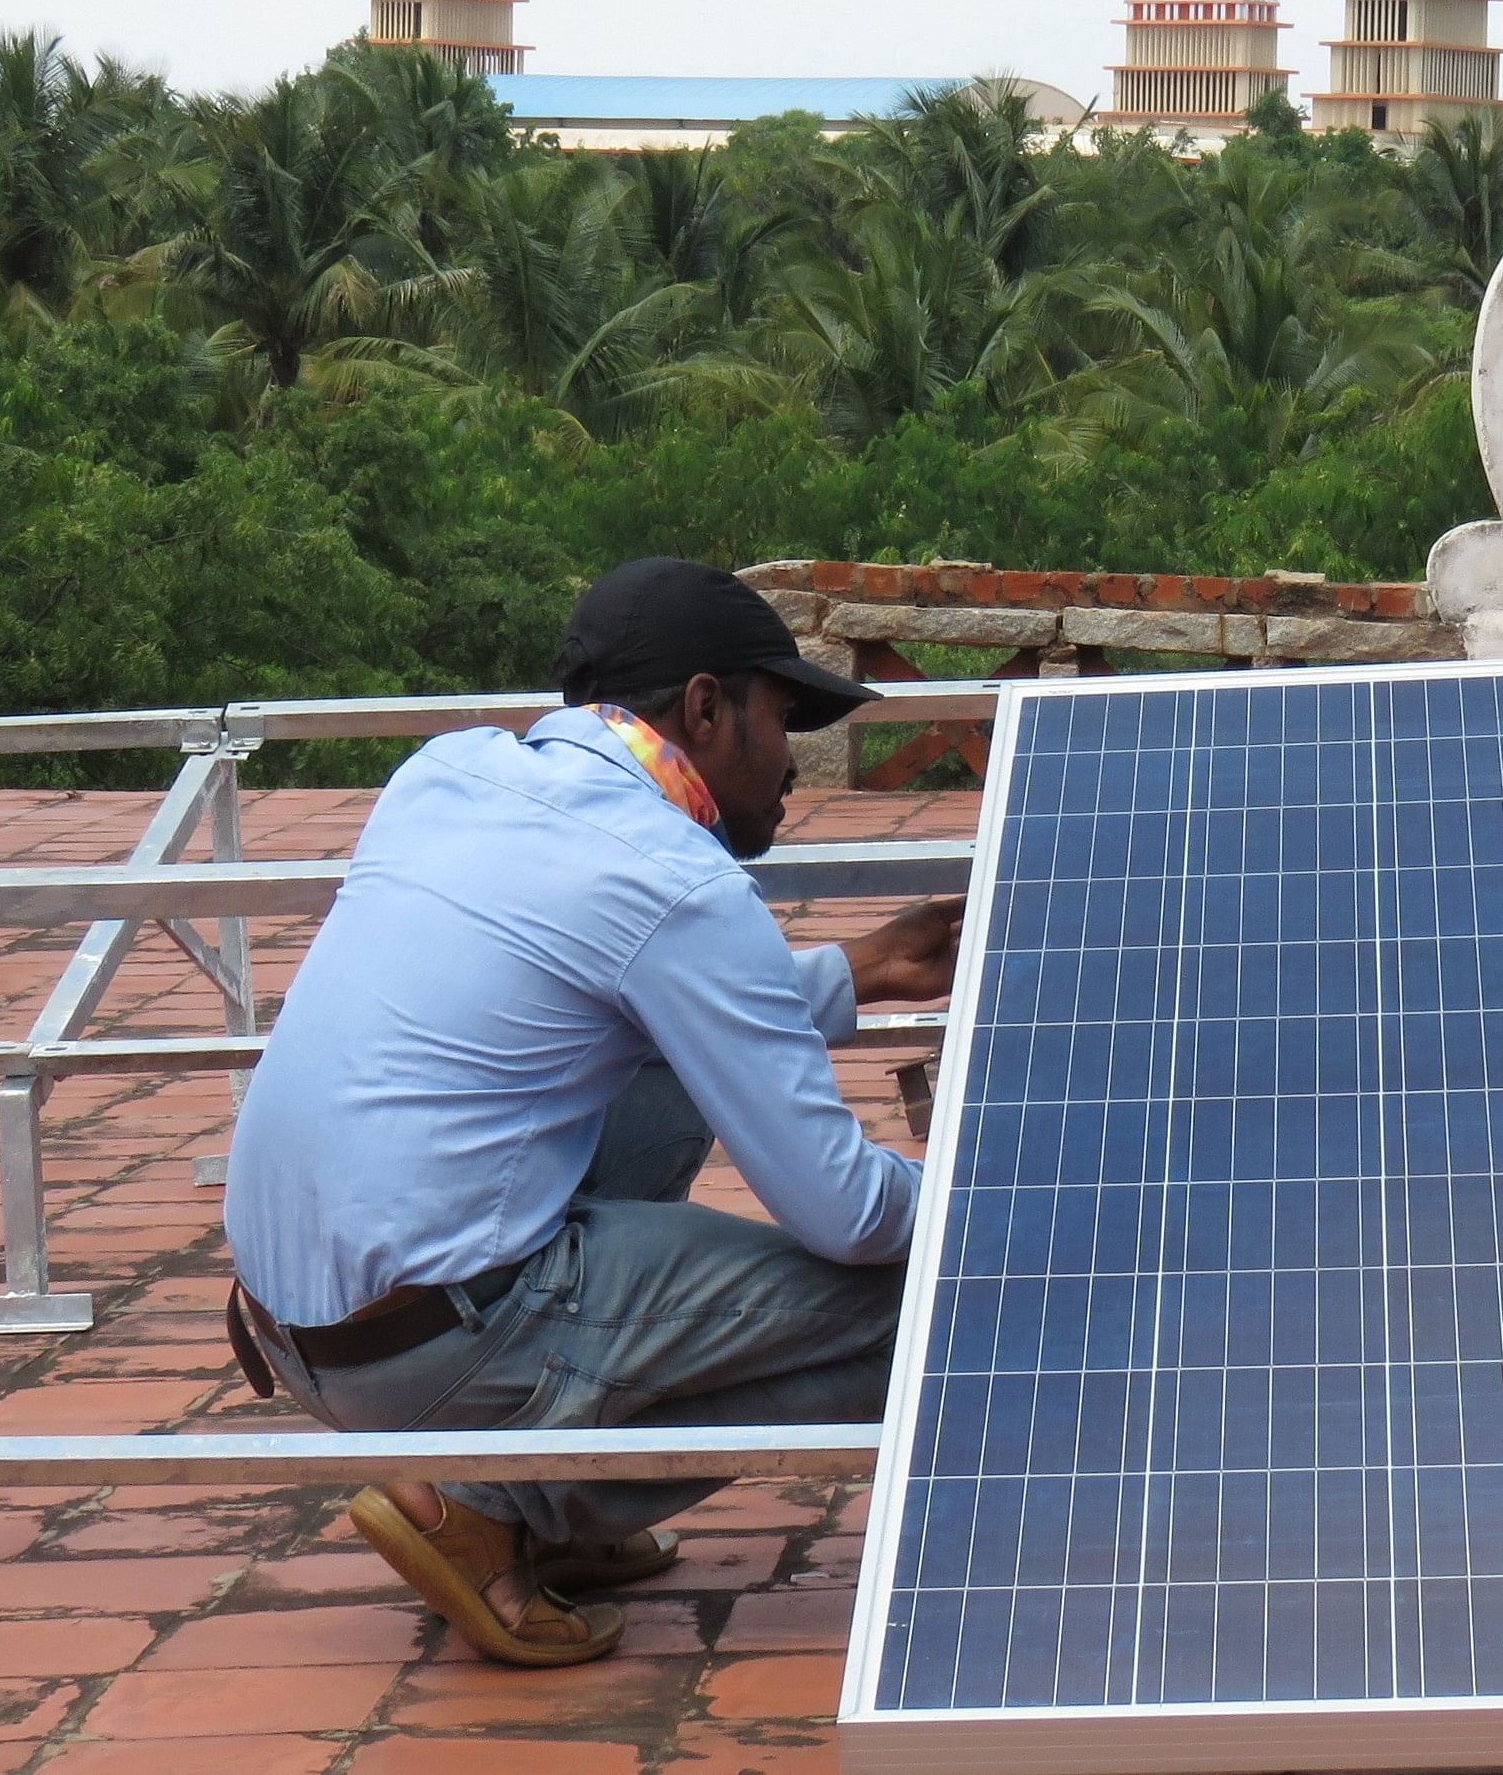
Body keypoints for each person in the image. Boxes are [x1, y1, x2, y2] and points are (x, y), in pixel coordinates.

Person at [222, 556, 961, 1664]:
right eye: (784, 720)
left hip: (299, 1323)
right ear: (705, 707)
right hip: (427, 1351)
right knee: (940, 1307)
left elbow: (629, 979)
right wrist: (1010, 1197)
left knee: (672, 1068)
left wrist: (857, 971)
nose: (793, 766)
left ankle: (516, 1476)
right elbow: (848, 1212)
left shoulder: (449, 773)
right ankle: (506, 1502)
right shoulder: (678, 881)